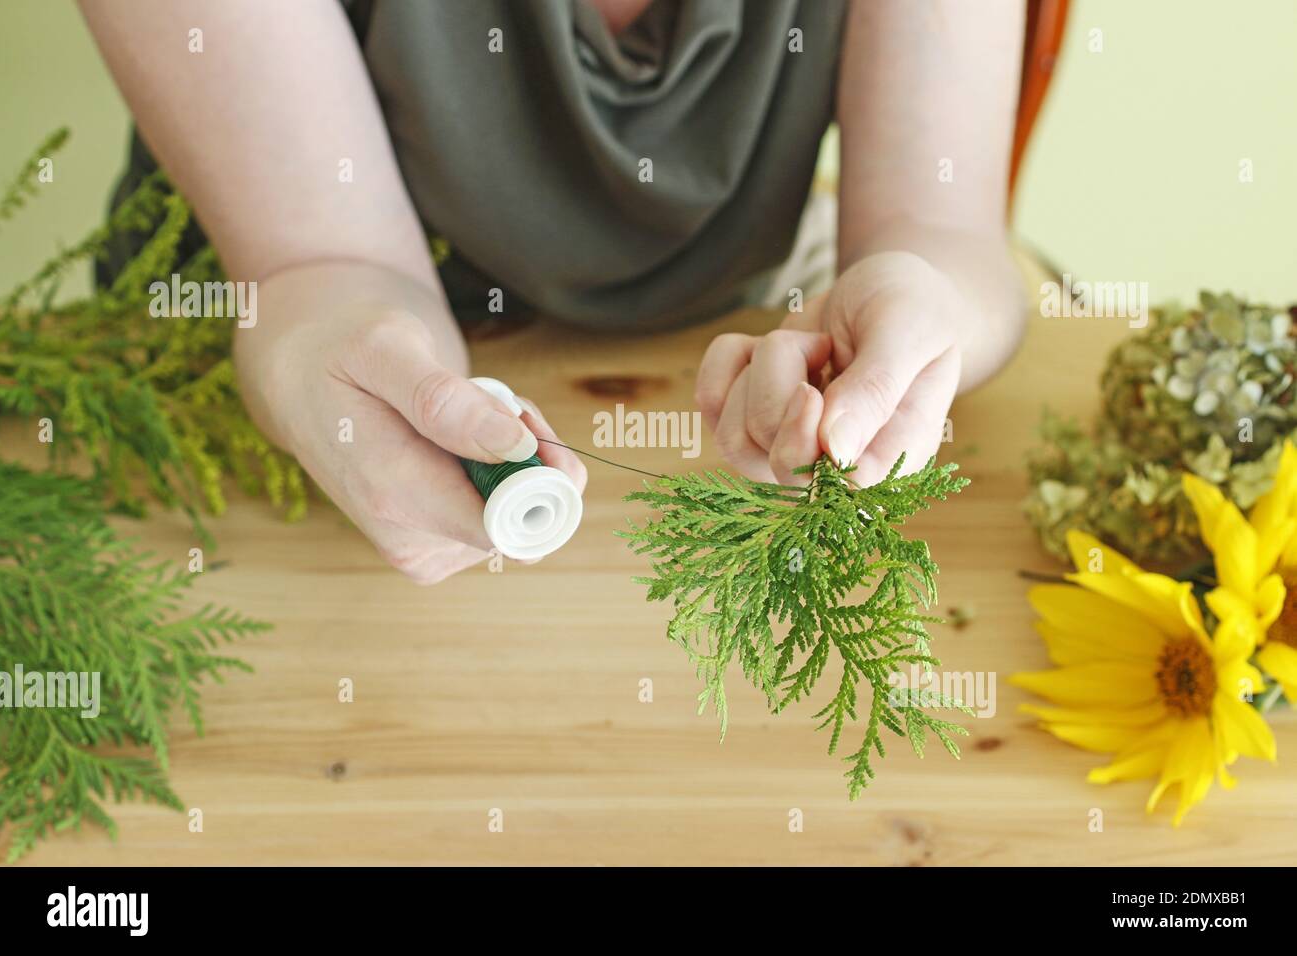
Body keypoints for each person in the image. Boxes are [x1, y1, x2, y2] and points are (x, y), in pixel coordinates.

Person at [80, 0, 1027, 583]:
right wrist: (350, 358)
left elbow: (944, 229)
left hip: (717, 309)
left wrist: (925, 299)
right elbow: (316, 265)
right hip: (251, 380)